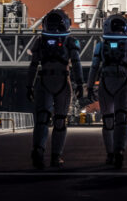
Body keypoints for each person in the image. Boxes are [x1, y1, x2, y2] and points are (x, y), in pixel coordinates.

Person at [26, 9, 84, 169]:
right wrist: (80, 84)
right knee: (60, 121)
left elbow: (33, 66)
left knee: (42, 120)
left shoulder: (40, 41)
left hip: (44, 81)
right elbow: (77, 64)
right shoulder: (70, 41)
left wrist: (29, 86)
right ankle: (55, 156)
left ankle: (38, 150)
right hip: (62, 81)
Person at [86, 13, 127, 168]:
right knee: (121, 120)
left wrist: (89, 87)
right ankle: (119, 151)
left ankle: (111, 153)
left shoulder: (100, 46)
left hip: (106, 82)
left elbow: (94, 68)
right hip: (122, 81)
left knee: (109, 121)